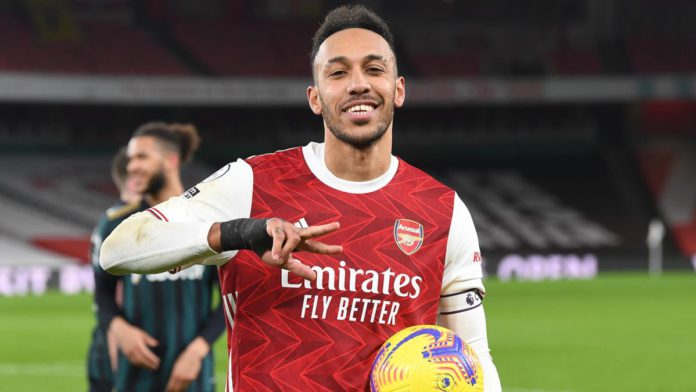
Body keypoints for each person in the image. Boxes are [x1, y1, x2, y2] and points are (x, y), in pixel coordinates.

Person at [100, 5, 501, 391]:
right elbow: (116, 251)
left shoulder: (443, 211)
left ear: (398, 90)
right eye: (338, 72)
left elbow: (474, 359)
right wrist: (241, 233)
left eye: (374, 69)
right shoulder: (252, 183)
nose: (358, 83)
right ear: (315, 97)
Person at [87, 123, 225, 392]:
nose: (132, 167)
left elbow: (228, 299)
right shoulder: (117, 224)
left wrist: (198, 350)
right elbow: (102, 294)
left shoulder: (207, 220)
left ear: (171, 160)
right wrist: (119, 329)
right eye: (130, 159)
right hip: (135, 375)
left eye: (142, 157)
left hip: (192, 372)